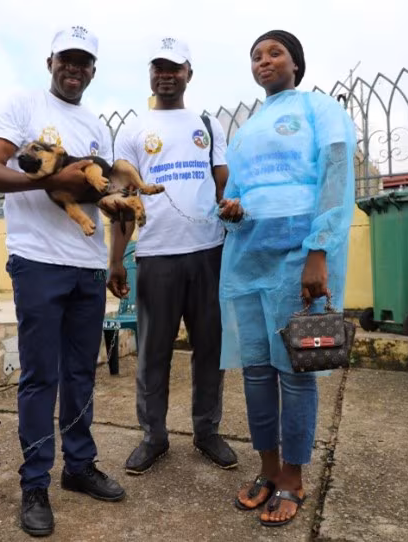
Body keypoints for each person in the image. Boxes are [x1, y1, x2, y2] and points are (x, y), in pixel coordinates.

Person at [0, 25, 125, 538]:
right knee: (42, 376)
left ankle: (79, 467)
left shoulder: (97, 127)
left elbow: (102, 194)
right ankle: (34, 481)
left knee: (81, 373)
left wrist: (114, 259)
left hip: (86, 265)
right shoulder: (22, 105)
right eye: (67, 59)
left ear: (92, 70)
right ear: (51, 61)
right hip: (38, 261)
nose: (74, 69)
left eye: (84, 62)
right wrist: (47, 180)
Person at [216, 30, 356, 528]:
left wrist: (318, 251)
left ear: (296, 63)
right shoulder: (247, 128)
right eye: (256, 56)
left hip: (299, 256)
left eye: (274, 53)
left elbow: (336, 173)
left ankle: (295, 477)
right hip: (247, 261)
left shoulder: (320, 110)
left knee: (297, 371)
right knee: (256, 369)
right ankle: (269, 469)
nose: (264, 61)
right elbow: (234, 192)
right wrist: (230, 210)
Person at [108, 36, 237, 475]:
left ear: (188, 74)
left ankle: (207, 431)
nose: (167, 75)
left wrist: (230, 207)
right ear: (150, 74)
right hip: (156, 255)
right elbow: (124, 199)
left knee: (210, 348)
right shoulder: (132, 131)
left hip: (208, 252)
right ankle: (153, 436)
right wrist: (115, 259)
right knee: (153, 352)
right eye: (159, 67)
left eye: (175, 67)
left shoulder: (208, 123)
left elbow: (222, 181)